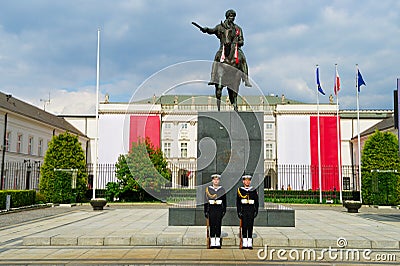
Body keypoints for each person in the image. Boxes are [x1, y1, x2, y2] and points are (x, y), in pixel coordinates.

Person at [199, 9, 251, 87]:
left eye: (233, 16)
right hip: (223, 49)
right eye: (230, 16)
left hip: (235, 49)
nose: (232, 18)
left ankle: (246, 79)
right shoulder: (220, 27)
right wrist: (206, 29)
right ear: (227, 17)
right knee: (216, 58)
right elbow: (212, 31)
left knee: (243, 59)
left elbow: (242, 41)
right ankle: (213, 78)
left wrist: (237, 43)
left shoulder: (238, 28)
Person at [204, 174, 226, 249]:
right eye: (214, 179)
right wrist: (205, 211)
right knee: (212, 225)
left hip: (219, 209)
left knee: (218, 225)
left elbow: (224, 201)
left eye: (217, 179)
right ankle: (213, 241)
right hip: (211, 209)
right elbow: (205, 201)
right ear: (212, 180)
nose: (216, 181)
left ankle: (218, 241)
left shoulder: (222, 189)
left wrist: (224, 210)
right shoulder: (208, 189)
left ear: (219, 181)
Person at [236, 175, 259, 249]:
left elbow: (256, 202)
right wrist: (239, 211)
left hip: (251, 210)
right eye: (246, 180)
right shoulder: (240, 190)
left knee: (250, 226)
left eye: (248, 180)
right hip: (244, 210)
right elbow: (238, 202)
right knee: (244, 226)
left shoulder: (253, 190)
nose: (247, 182)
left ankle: (249, 242)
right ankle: (244, 242)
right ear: (243, 181)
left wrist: (256, 210)